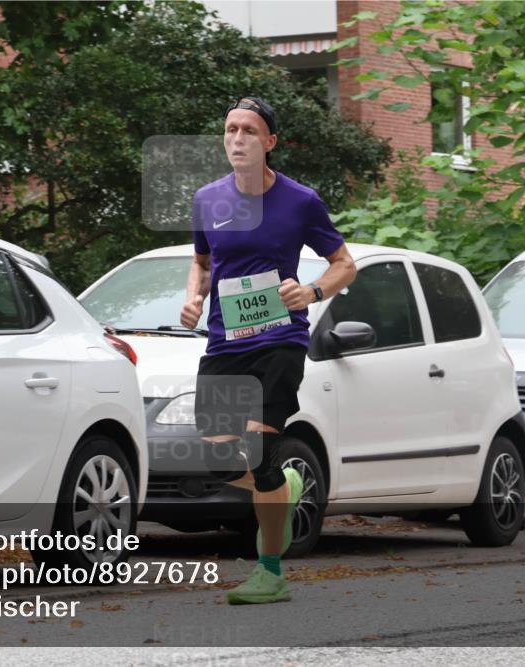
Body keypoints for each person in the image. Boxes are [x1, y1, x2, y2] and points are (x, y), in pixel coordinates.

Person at [180, 96, 357, 604]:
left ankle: (270, 571)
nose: (237, 138)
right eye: (231, 128)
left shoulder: (301, 201)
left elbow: (344, 263)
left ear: (269, 142)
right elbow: (202, 262)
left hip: (280, 338)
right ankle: (282, 485)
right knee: (217, 458)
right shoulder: (208, 200)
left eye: (249, 131)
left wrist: (312, 292)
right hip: (224, 342)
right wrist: (194, 295)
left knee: (258, 453)